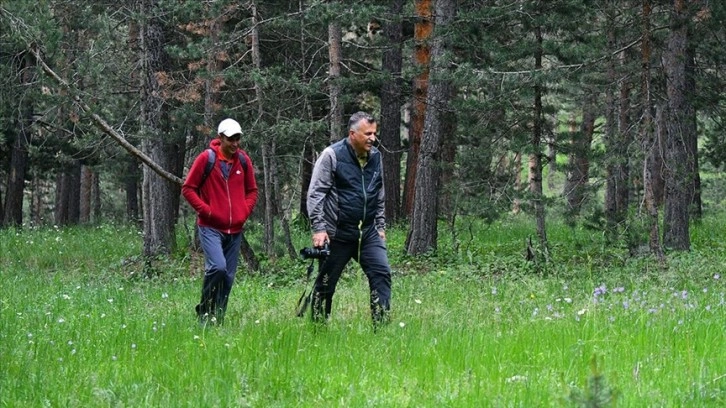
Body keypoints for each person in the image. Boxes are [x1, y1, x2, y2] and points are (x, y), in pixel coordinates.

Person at [306, 111, 392, 325]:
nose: (372, 138)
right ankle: (318, 329)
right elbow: (316, 193)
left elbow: (378, 192)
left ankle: (381, 329)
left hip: (368, 233)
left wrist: (380, 225)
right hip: (337, 234)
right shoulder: (332, 155)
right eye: (367, 133)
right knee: (326, 284)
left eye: (374, 133)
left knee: (381, 274)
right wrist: (319, 228)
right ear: (352, 134)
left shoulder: (376, 157)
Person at [182, 118, 258, 325]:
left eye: (238, 138)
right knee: (218, 268)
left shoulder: (243, 161)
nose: (235, 143)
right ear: (220, 138)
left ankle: (218, 317)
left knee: (228, 277)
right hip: (210, 227)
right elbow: (188, 188)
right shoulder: (206, 159)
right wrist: (206, 211)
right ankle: (205, 312)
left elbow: (252, 190)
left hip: (235, 229)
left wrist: (244, 212)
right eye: (231, 139)